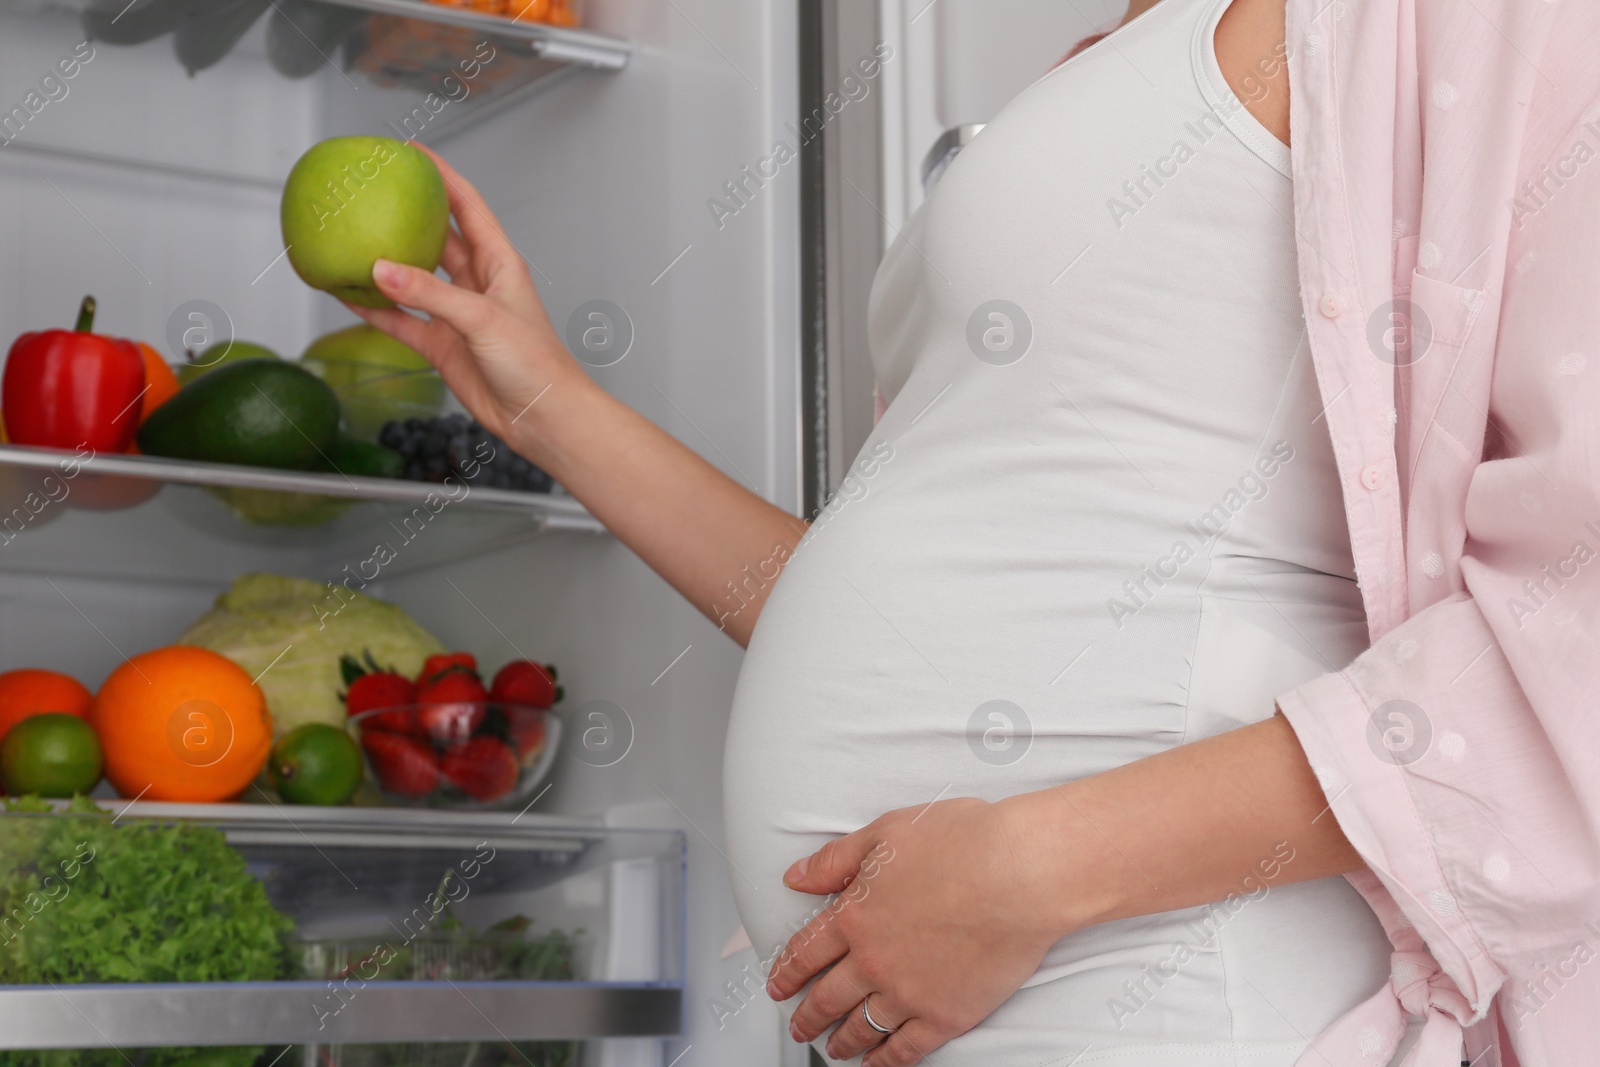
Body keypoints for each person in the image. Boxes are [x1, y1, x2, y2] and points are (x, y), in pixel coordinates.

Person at [348, 0, 1600, 1062]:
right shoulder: (1119, 38)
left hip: (1170, 993)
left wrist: (1027, 870)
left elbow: (1574, 639)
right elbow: (905, 601)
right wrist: (543, 403)